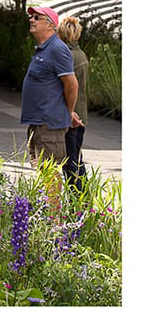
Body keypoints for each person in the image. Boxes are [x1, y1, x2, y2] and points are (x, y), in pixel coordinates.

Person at [21, 5, 82, 212]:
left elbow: (71, 84)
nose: (32, 20)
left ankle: (54, 222)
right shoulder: (44, 49)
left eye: (37, 17)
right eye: (31, 17)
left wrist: (68, 110)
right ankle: (49, 216)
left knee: (50, 173)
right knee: (43, 171)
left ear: (50, 25)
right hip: (39, 122)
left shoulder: (57, 49)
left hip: (50, 124)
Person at [57, 16, 89, 193]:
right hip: (81, 113)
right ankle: (82, 201)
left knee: (70, 162)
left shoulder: (66, 56)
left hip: (71, 115)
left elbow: (68, 87)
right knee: (76, 159)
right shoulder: (80, 54)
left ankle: (78, 202)